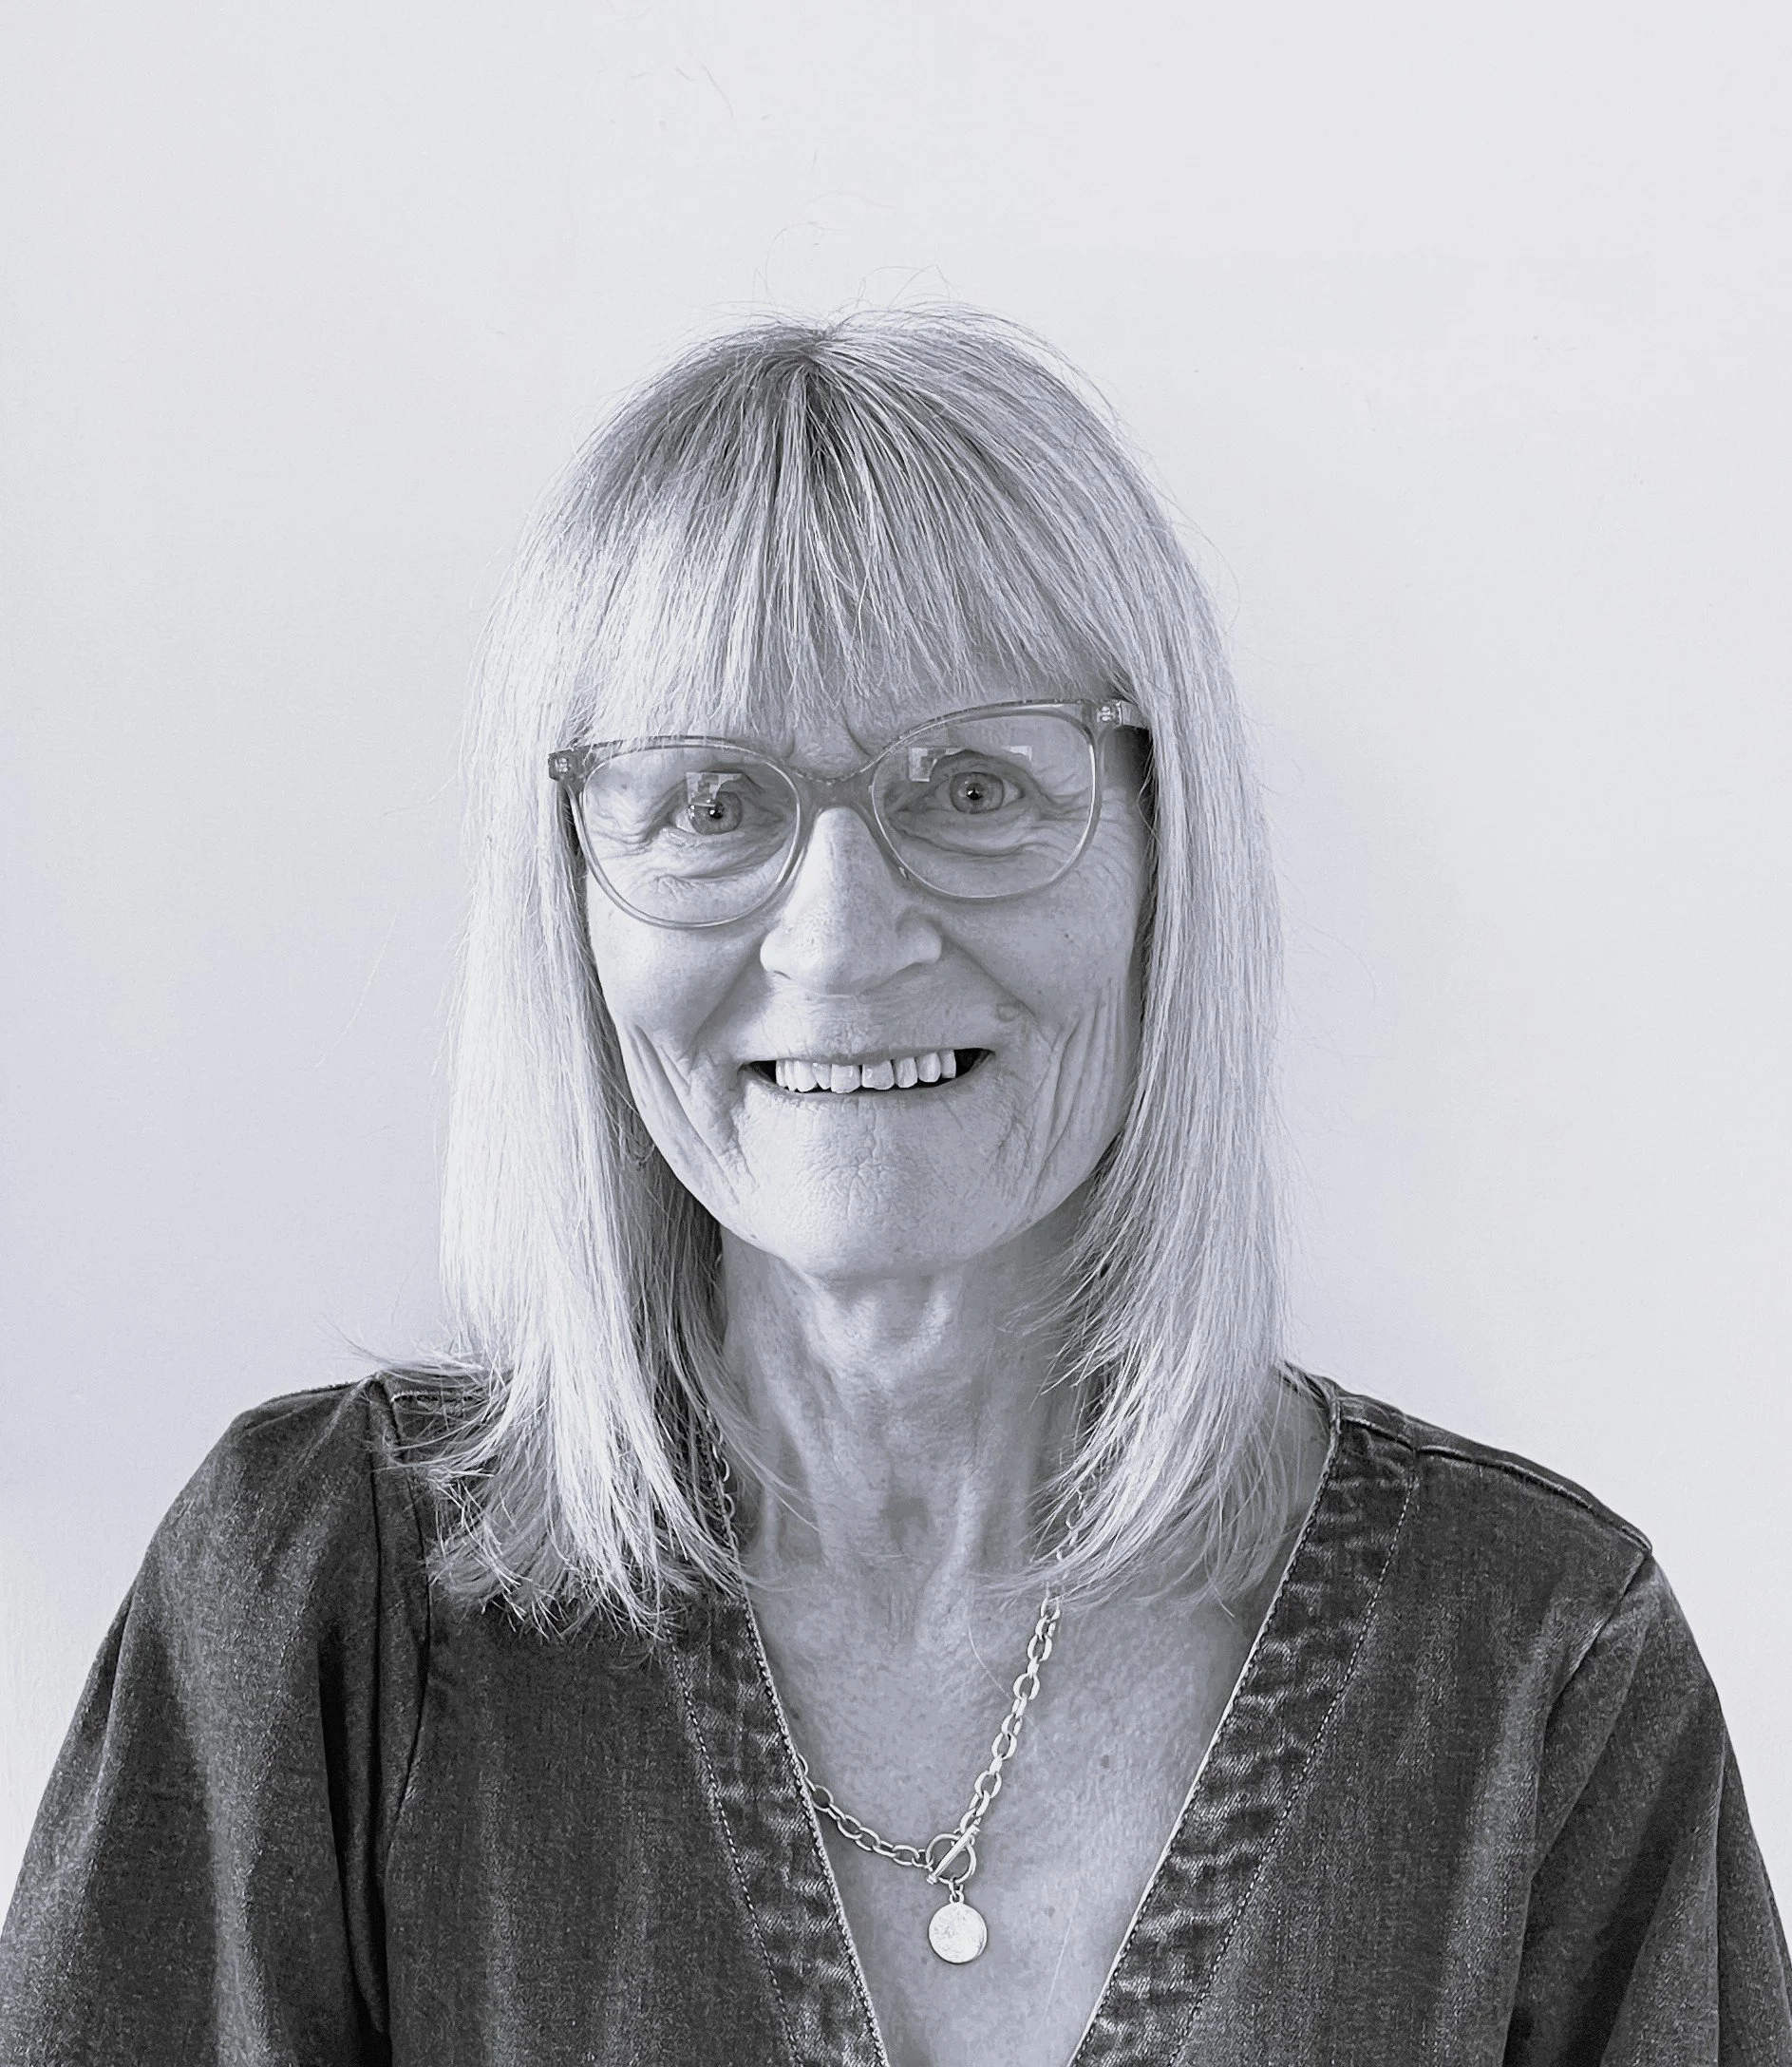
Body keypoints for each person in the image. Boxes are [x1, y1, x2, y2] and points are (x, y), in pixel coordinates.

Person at [2, 309, 1786, 2067]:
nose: (842, 939)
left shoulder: (1540, 1662)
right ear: (571, 901)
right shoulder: (314, 1607)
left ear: (1174, 854)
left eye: (977, 786)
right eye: (708, 803)